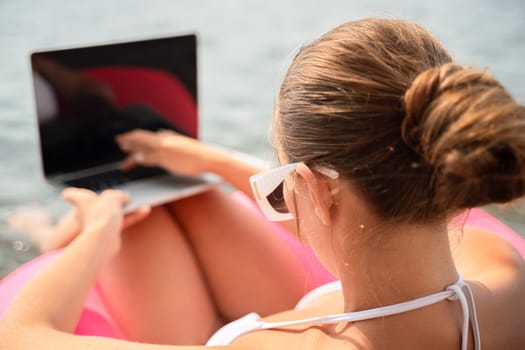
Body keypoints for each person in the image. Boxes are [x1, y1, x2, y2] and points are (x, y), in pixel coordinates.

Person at [1, 17, 525, 350]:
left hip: (197, 320)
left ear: (317, 189)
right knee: (197, 196)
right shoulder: (500, 270)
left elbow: (19, 337)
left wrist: (95, 232)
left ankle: (51, 234)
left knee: (138, 225)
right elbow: (365, 211)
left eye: (286, 181)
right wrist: (206, 160)